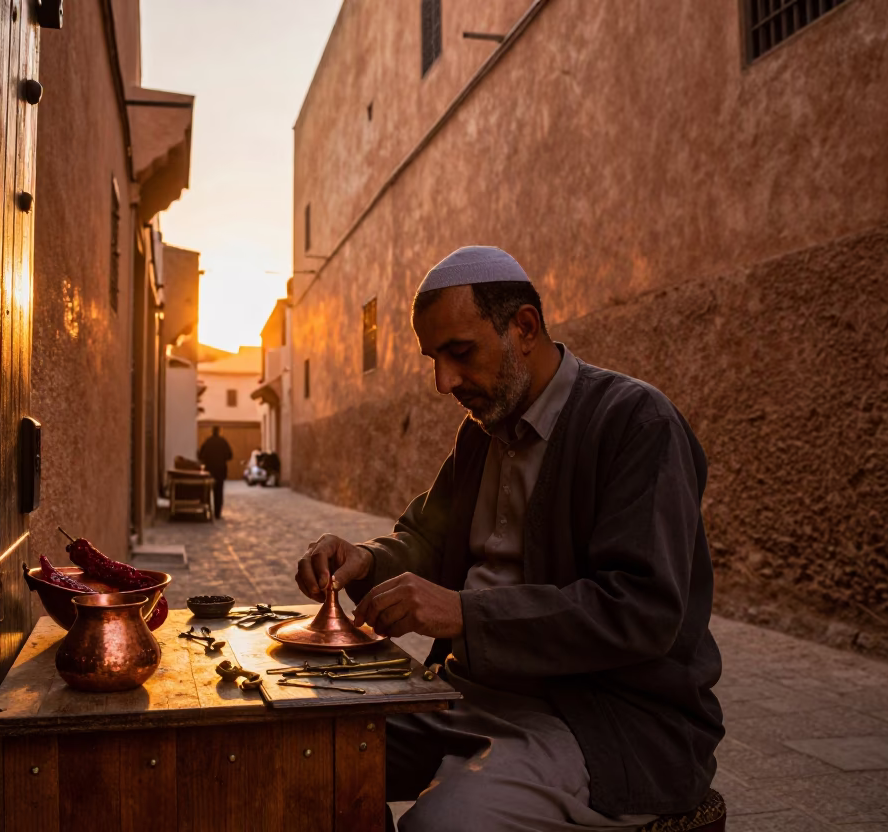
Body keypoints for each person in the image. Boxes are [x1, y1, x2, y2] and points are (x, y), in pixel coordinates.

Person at [294, 247, 723, 831]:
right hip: (469, 697)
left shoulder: (635, 422)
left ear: (524, 327)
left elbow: (642, 609)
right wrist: (365, 558)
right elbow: (427, 537)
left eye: (460, 353)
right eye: (433, 359)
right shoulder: (482, 434)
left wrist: (468, 614)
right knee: (301, 755)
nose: (443, 382)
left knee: (442, 827)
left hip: (606, 720)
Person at [198, 425, 234, 520]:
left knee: (208, 490)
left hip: (209, 470)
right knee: (219, 491)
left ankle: (207, 510)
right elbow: (230, 455)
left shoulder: (208, 442)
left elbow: (200, 455)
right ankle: (217, 513)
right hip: (220, 470)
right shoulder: (223, 442)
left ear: (212, 431)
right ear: (219, 431)